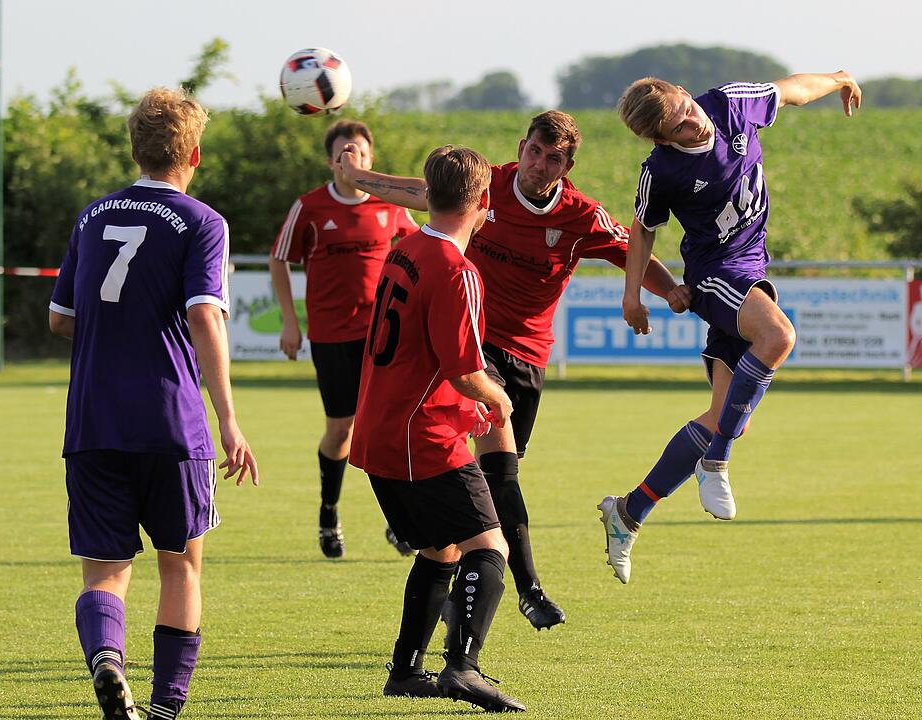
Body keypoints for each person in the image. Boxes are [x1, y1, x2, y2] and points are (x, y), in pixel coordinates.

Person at [340, 112, 686, 628]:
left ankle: (439, 545)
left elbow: (630, 251)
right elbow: (424, 191)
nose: (539, 165)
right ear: (522, 147)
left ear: (567, 166)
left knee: (491, 474)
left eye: (554, 159)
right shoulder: (488, 187)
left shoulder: (581, 216)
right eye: (534, 152)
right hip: (473, 349)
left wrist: (674, 292)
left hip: (527, 355)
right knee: (500, 469)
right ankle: (529, 588)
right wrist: (359, 179)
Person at [599, 71, 862, 584]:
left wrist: (839, 79)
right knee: (779, 336)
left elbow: (791, 92)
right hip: (717, 274)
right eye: (679, 125)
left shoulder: (729, 103)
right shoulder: (661, 171)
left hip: (752, 268)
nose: (692, 121)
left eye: (686, 107)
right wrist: (633, 295)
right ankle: (715, 463)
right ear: (661, 138)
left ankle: (628, 511)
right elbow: (643, 230)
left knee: (725, 415)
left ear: (682, 91)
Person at [49, 87, 259, 720]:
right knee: (181, 564)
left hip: (92, 418)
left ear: (134, 149)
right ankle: (167, 708)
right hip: (171, 422)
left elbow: (61, 320)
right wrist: (228, 419)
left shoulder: (92, 215)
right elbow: (203, 314)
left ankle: (108, 662)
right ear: (193, 152)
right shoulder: (202, 222)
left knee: (104, 571)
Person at [350, 144, 524, 712]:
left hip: (382, 429)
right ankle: (463, 668)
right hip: (418, 438)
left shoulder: (406, 248)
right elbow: (464, 368)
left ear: (428, 192)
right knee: (489, 546)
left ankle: (404, 672)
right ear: (484, 199)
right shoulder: (457, 270)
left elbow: (419, 358)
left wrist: (464, 401)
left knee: (440, 550)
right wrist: (496, 398)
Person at [270, 120, 420, 559]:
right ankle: (328, 513)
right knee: (341, 430)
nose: (352, 159)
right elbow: (279, 260)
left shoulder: (390, 207)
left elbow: (424, 245)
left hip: (382, 339)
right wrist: (289, 322)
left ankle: (398, 524)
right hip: (331, 336)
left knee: (386, 429)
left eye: (360, 152)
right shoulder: (310, 207)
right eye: (343, 153)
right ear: (331, 161)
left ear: (371, 161)